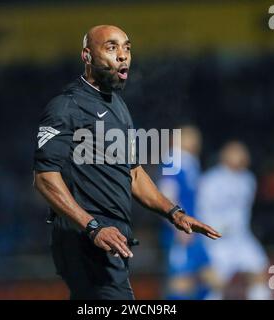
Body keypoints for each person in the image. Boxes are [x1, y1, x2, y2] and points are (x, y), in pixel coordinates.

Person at [33, 25, 221, 300]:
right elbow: (44, 178)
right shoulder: (66, 107)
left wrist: (175, 214)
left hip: (112, 239)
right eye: (111, 48)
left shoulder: (118, 106)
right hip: (84, 240)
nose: (123, 56)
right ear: (87, 56)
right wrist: (92, 226)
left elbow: (133, 173)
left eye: (127, 48)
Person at [197, 141, 272, 300]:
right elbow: (201, 209)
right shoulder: (210, 180)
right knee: (216, 284)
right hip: (218, 239)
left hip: (242, 236)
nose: (242, 156)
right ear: (224, 155)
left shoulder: (248, 180)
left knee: (259, 272)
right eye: (236, 152)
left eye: (243, 153)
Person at [158, 126, 221, 300]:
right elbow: (166, 193)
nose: (195, 141)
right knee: (181, 281)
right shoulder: (173, 159)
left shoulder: (189, 162)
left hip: (194, 230)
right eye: (190, 136)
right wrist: (175, 225)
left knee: (211, 278)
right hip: (182, 231)